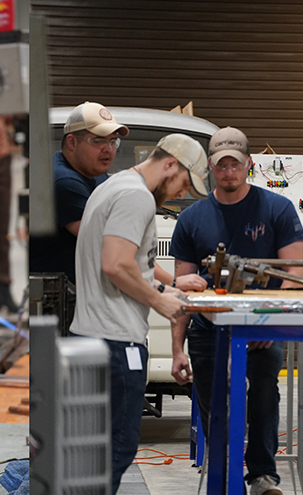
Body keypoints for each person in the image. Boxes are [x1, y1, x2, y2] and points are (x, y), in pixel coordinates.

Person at [163, 128, 297, 494]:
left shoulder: (276, 209)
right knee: (212, 402)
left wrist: (269, 325)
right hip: (209, 329)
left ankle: (262, 476)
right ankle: (221, 472)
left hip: (262, 327)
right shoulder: (191, 219)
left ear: (248, 165)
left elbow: (296, 275)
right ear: (210, 167)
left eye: (234, 165)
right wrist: (177, 350)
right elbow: (182, 291)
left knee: (264, 394)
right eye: (221, 165)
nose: (228, 172)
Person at [74, 133, 206, 491]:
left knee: (93, 452)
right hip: (116, 342)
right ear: (170, 164)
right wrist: (161, 302)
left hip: (95, 337)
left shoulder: (115, 186)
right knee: (117, 448)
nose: (182, 193)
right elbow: (115, 265)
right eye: (183, 183)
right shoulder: (136, 197)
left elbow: (134, 262)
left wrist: (171, 286)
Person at [32, 102, 128, 331]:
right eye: (98, 141)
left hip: (76, 297)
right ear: (72, 142)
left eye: (113, 141)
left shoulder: (93, 173)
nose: (108, 149)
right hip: (54, 304)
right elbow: (107, 240)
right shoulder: (63, 180)